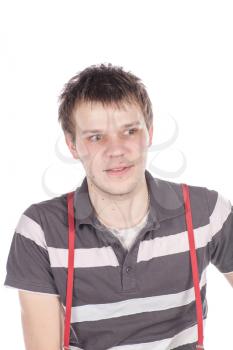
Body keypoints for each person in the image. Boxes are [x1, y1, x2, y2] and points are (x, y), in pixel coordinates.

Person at [3, 63, 233, 350]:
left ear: (149, 132)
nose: (116, 150)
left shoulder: (207, 211)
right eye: (96, 137)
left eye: (130, 131)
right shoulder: (40, 230)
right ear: (73, 146)